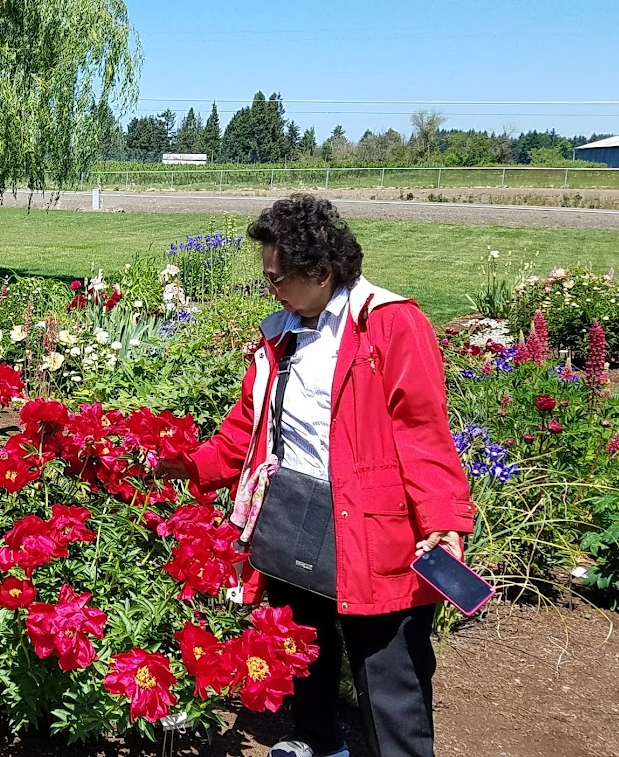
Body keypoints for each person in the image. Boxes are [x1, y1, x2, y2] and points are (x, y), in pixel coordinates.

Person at [158, 195, 475, 757]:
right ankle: (319, 743)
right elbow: (248, 427)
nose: (271, 289)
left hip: (374, 529)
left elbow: (422, 431)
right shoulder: (281, 334)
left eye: (277, 278)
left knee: (389, 673)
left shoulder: (389, 323)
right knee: (302, 645)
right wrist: (188, 464)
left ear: (322, 271)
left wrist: (443, 520)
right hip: (292, 511)